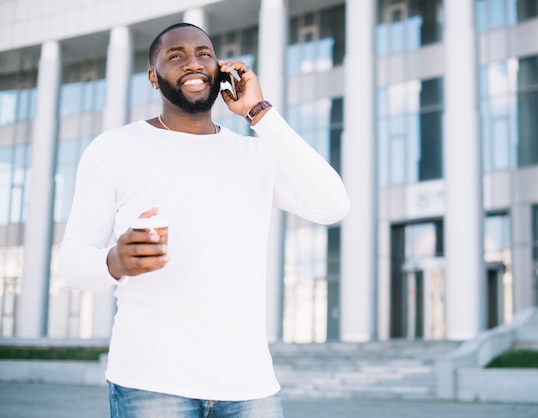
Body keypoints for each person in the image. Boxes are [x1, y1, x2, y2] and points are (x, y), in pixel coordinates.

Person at [60, 22, 350, 418]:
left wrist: (260, 113)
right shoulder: (112, 150)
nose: (193, 63)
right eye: (176, 56)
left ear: (221, 71)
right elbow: (74, 263)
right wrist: (115, 261)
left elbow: (332, 206)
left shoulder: (255, 156)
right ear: (153, 77)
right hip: (152, 382)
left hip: (250, 386)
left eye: (204, 54)